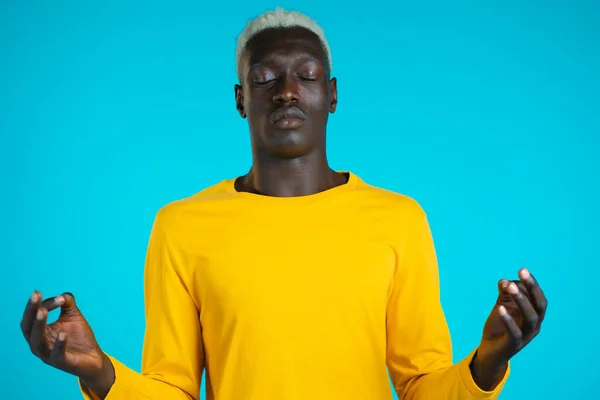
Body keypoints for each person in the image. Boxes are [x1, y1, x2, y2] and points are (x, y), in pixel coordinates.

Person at [21, 7, 547, 400]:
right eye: (266, 77)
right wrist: (98, 372)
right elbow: (174, 390)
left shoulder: (399, 221)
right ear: (241, 99)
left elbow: (419, 386)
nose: (287, 91)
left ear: (332, 94)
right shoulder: (180, 227)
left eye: (307, 74)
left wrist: (487, 363)